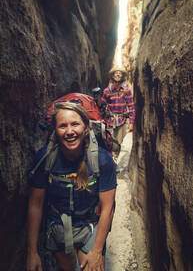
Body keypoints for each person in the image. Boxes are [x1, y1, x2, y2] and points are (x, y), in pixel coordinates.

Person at [26, 101, 117, 271]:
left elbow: (108, 208)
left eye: (75, 124)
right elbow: (35, 204)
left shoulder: (102, 160)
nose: (69, 131)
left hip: (90, 226)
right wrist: (32, 252)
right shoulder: (45, 160)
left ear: (86, 128)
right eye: (62, 126)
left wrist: (97, 251)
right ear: (55, 130)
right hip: (59, 226)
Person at [101, 66, 136, 150]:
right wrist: (102, 119)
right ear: (112, 75)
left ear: (122, 76)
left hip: (122, 121)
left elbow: (131, 107)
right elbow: (102, 106)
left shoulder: (126, 90)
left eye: (120, 73)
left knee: (122, 145)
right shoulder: (107, 91)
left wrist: (131, 123)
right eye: (116, 73)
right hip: (110, 121)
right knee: (111, 145)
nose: (118, 74)